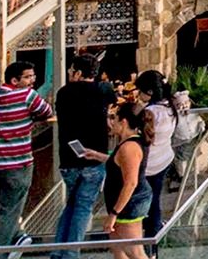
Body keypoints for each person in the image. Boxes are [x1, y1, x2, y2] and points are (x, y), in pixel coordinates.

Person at [0, 60, 54, 247]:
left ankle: (19, 236)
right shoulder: (28, 96)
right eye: (28, 77)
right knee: (8, 213)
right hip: (17, 165)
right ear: (14, 80)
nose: (32, 81)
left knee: (1, 211)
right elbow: (47, 112)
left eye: (33, 76)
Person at [54, 54, 114, 259]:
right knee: (83, 206)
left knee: (72, 204)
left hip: (69, 160)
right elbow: (113, 102)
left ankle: (59, 250)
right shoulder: (104, 90)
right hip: (95, 159)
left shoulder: (63, 93)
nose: (70, 74)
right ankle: (70, 253)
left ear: (78, 73)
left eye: (71, 71)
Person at [101, 102, 153, 259]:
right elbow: (120, 163)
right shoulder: (129, 143)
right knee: (118, 247)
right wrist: (97, 155)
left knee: (134, 251)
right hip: (125, 202)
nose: (111, 122)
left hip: (129, 205)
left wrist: (114, 214)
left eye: (114, 118)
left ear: (123, 122)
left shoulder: (129, 147)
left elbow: (131, 182)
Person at [134, 71, 176, 240]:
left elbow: (140, 135)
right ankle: (155, 232)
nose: (139, 94)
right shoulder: (169, 107)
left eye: (141, 90)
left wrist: (138, 108)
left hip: (149, 165)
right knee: (155, 199)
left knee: (147, 204)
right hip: (164, 159)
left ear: (150, 92)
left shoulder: (150, 112)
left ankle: (151, 239)